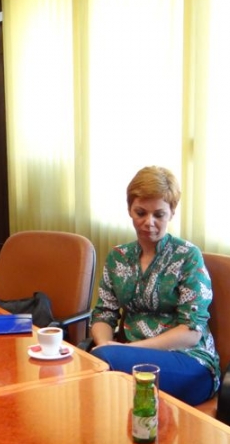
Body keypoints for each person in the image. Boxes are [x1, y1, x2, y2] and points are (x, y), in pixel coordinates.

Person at [90, 166, 220, 405]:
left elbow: (191, 332)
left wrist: (125, 351)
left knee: (101, 367)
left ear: (172, 213)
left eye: (159, 215)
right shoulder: (118, 257)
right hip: (128, 358)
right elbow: (103, 314)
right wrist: (104, 346)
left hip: (189, 362)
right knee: (95, 363)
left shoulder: (187, 256)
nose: (148, 222)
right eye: (140, 212)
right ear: (129, 209)